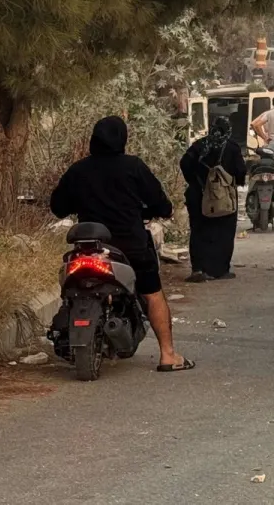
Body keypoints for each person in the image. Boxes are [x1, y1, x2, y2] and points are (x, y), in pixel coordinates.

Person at [49, 116, 193, 372]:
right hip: (131, 247)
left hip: (89, 247)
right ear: (123, 140)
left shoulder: (78, 170)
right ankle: (168, 355)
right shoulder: (133, 167)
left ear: (93, 140)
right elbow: (160, 203)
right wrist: (160, 210)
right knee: (152, 293)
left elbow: (58, 207)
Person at [179, 116, 248, 282]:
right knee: (224, 233)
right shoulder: (232, 147)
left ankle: (198, 269)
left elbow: (184, 163)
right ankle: (220, 270)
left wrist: (195, 183)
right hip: (223, 198)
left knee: (199, 231)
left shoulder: (199, 145)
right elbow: (240, 171)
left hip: (198, 196)